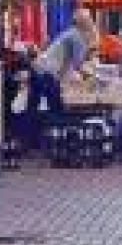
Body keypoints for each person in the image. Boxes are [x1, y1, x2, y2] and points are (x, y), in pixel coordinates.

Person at [31, 11, 98, 145]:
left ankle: (54, 143)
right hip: (47, 73)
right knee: (57, 110)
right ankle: (59, 144)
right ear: (84, 24)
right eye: (89, 21)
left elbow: (69, 65)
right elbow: (78, 65)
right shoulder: (77, 37)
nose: (91, 23)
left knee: (54, 108)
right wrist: (93, 78)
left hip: (43, 71)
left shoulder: (71, 33)